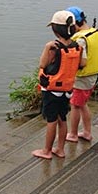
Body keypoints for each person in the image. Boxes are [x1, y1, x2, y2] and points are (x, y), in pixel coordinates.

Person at [32, 10, 86, 160]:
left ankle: (46, 151)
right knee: (62, 119)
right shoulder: (77, 47)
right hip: (67, 90)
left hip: (52, 91)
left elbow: (42, 64)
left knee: (51, 121)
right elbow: (81, 64)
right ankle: (60, 150)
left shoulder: (54, 48)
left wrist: (46, 48)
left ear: (55, 30)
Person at [65, 6, 98, 143]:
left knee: (75, 105)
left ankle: (73, 134)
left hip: (83, 78)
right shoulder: (95, 32)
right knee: (82, 104)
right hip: (94, 76)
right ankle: (87, 132)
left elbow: (82, 62)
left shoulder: (80, 39)